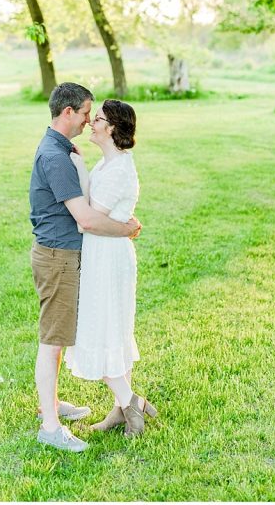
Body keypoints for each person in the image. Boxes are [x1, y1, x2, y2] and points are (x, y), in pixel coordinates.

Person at [30, 82, 141, 452]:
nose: (87, 121)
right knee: (53, 341)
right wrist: (126, 228)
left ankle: (55, 403)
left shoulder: (66, 151)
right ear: (67, 113)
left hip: (76, 256)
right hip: (59, 256)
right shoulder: (57, 156)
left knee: (60, 338)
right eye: (84, 113)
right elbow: (87, 220)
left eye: (95, 116)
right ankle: (50, 423)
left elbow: (100, 205)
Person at [64, 99, 157, 437]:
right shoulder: (108, 165)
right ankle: (123, 409)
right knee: (110, 330)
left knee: (103, 331)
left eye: (99, 118)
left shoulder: (119, 170)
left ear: (113, 128)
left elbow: (89, 219)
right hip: (102, 254)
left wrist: (77, 170)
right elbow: (93, 210)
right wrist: (81, 167)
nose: (92, 122)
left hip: (108, 258)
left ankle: (134, 406)